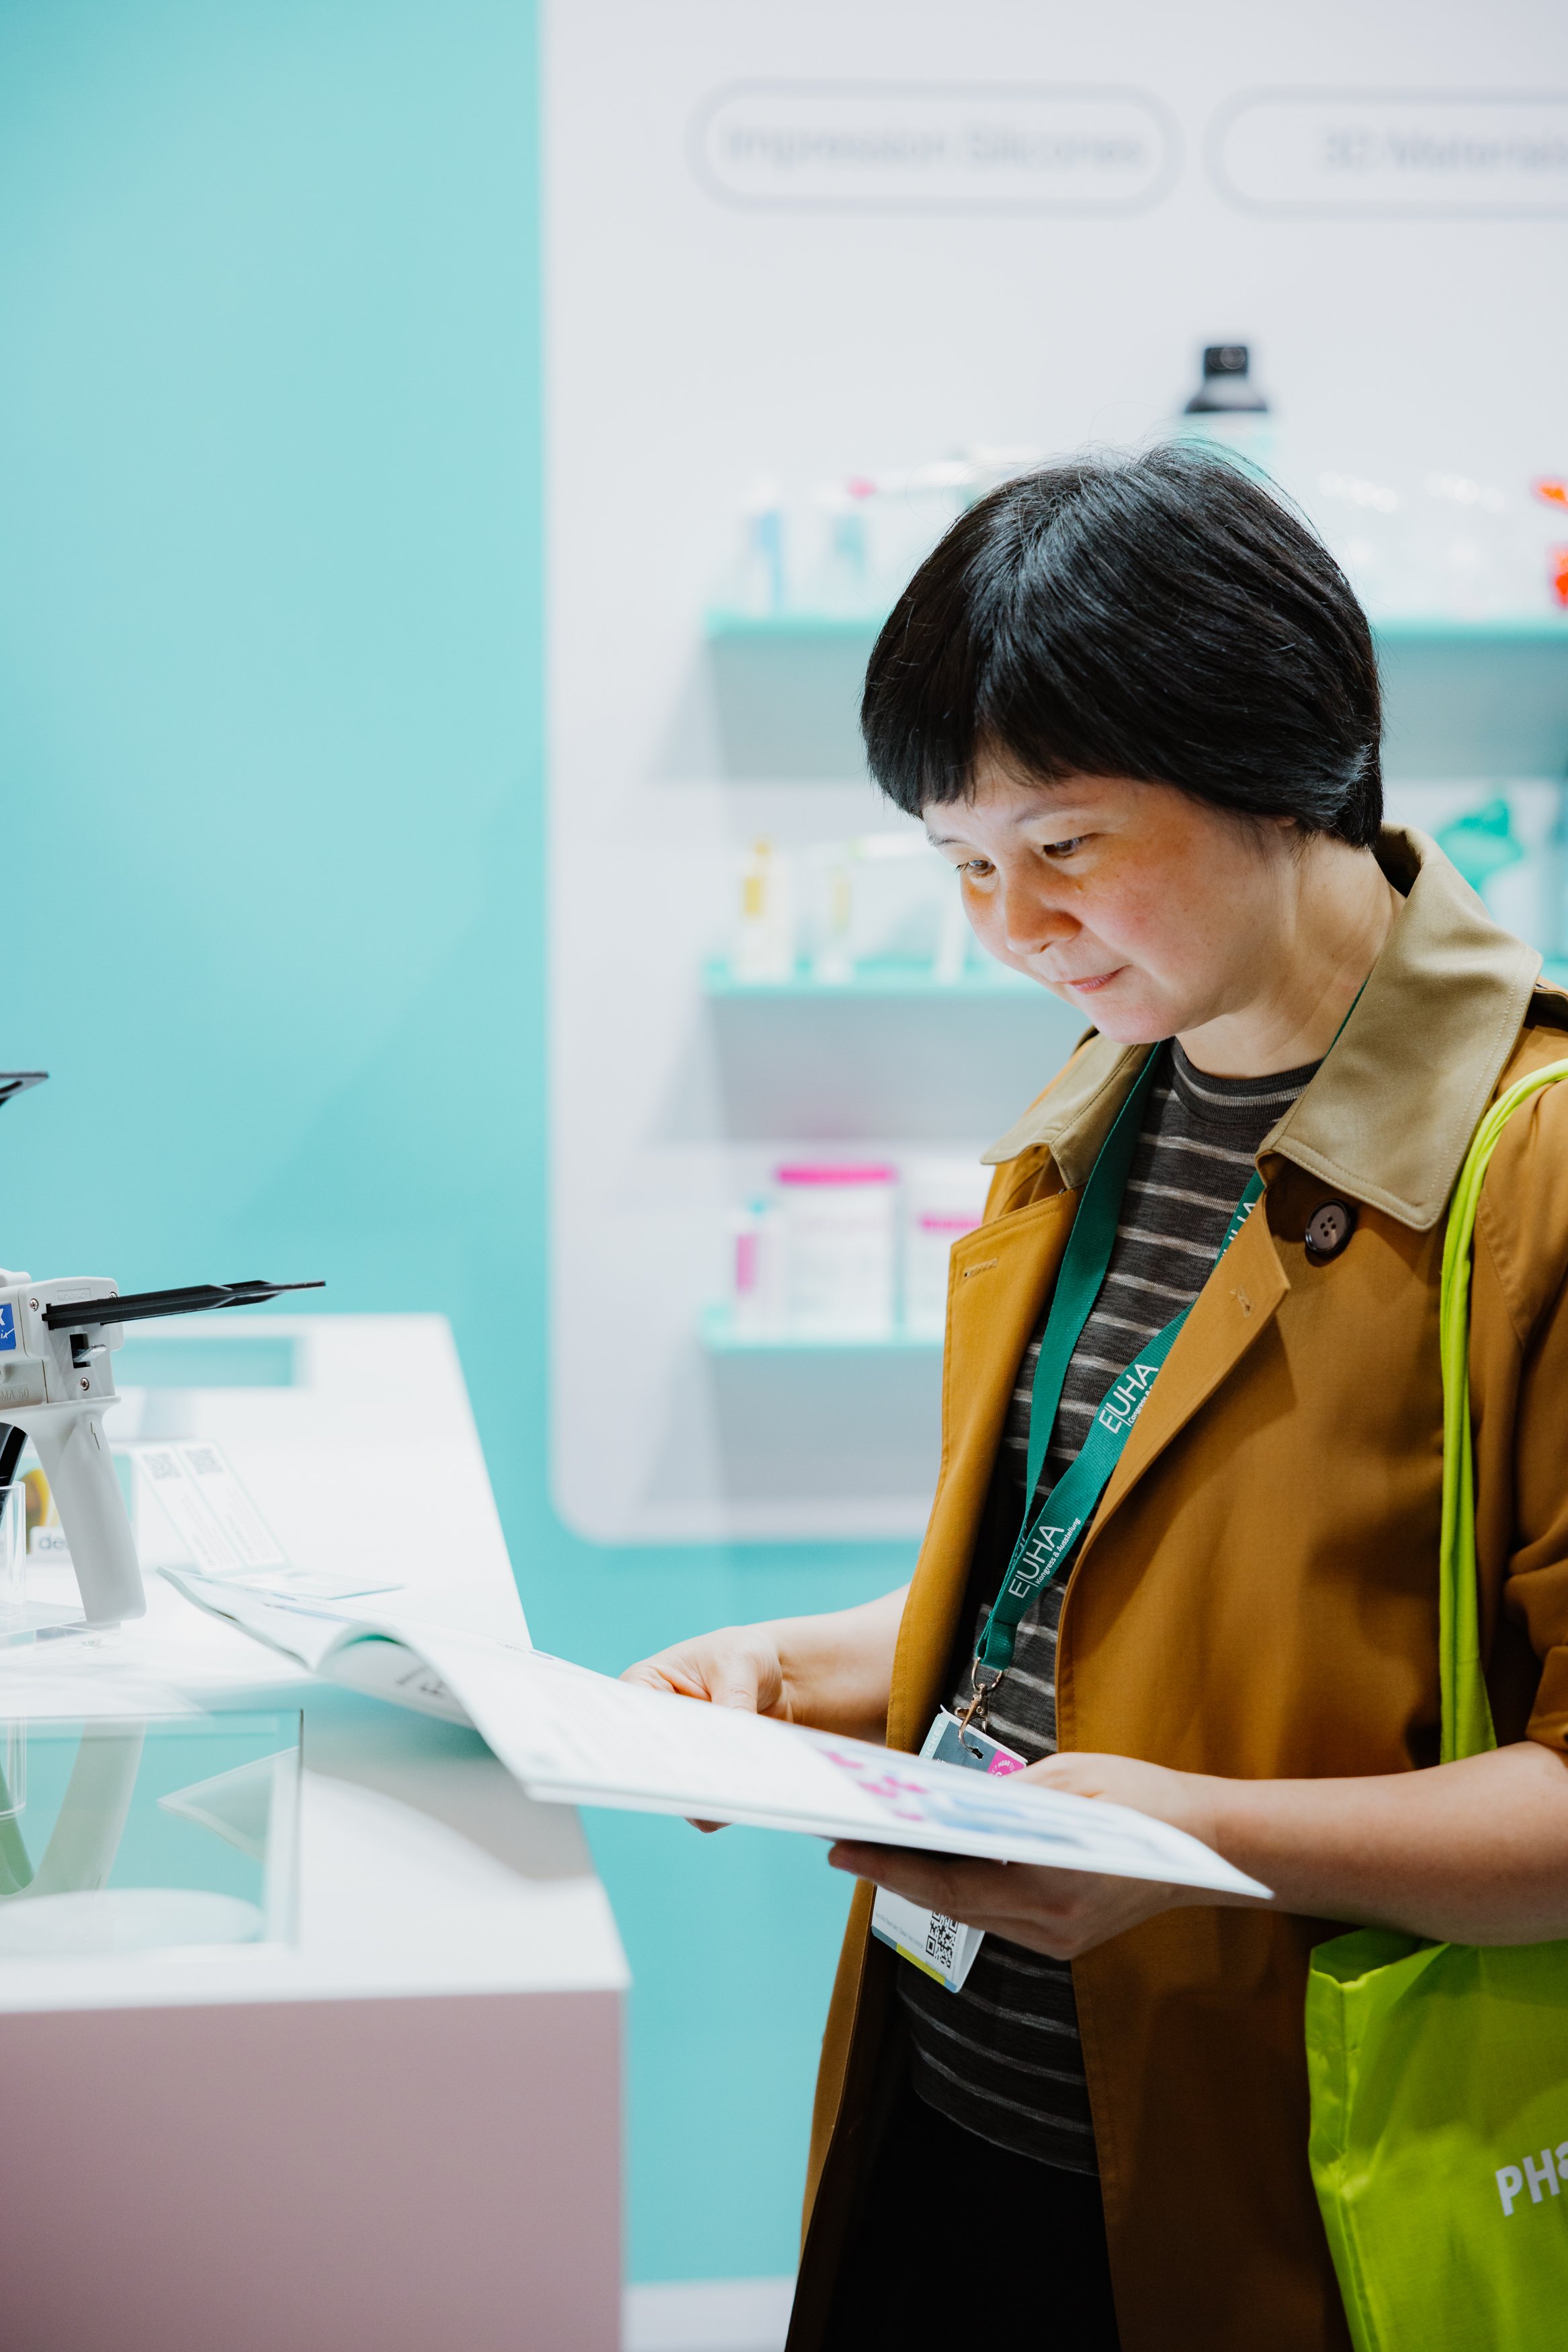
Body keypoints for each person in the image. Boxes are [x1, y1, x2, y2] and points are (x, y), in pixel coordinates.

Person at [623, 446, 1568, 2352]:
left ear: (1289, 764)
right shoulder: (1097, 1105)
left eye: (1062, 847)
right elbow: (1101, 1599)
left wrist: (1197, 1837)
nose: (1014, 924)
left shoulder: (1531, 1173)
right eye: (964, 866)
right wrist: (798, 1670)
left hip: (1287, 2188)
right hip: (951, 2111)